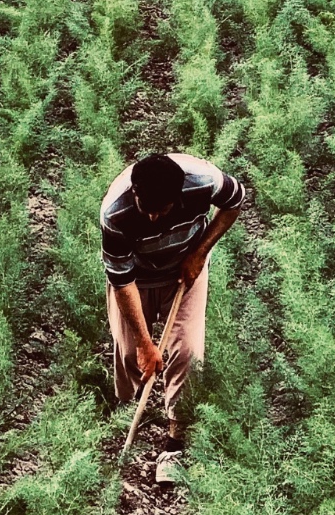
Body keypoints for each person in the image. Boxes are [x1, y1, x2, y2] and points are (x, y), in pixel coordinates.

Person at [102, 151, 246, 483]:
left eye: (161, 211)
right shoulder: (115, 212)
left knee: (187, 352)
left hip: (185, 270)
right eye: (145, 209)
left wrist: (199, 252)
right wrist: (145, 343)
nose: (152, 218)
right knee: (128, 352)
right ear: (135, 193)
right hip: (136, 278)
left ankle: (175, 441)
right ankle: (129, 409)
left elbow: (235, 202)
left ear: (177, 197)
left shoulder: (204, 181)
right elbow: (122, 282)